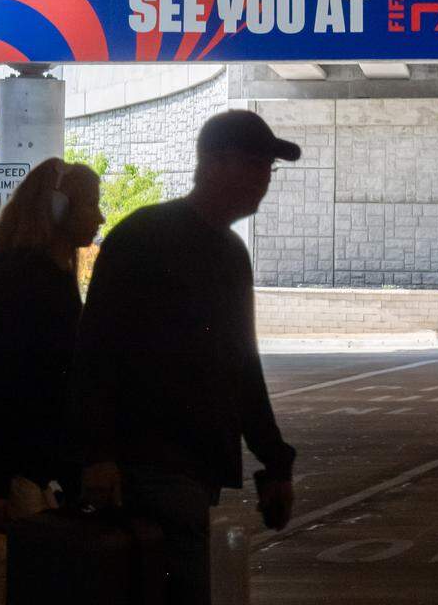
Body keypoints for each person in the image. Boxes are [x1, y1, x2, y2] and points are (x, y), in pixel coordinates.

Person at [72, 110, 299, 605]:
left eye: (269, 169)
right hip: (147, 467)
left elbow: (242, 366)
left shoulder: (231, 254)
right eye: (257, 165)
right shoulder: (143, 240)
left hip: (194, 471)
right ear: (217, 162)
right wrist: (99, 456)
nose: (265, 181)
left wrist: (275, 463)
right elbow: (96, 352)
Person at [0, 157, 104, 524]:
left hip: (19, 467)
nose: (100, 218)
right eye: (92, 204)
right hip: (4, 470)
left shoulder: (48, 276)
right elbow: (2, 387)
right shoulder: (29, 281)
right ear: (59, 209)